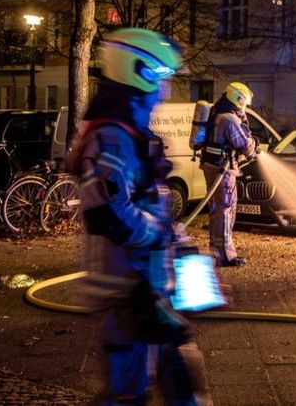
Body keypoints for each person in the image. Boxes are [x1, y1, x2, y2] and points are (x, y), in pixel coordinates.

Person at [70, 28, 206, 405]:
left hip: (146, 287)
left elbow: (145, 201)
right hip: (125, 291)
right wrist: (156, 234)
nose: (164, 89)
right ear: (138, 71)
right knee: (129, 393)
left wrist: (179, 244)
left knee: (179, 377)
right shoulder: (111, 137)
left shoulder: (128, 131)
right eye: (161, 78)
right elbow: (107, 213)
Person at [199, 82, 257, 267]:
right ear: (239, 100)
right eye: (244, 103)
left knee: (215, 210)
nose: (244, 107)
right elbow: (245, 146)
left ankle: (215, 252)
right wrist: (253, 145)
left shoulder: (216, 114)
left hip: (210, 166)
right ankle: (226, 256)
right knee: (226, 209)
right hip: (223, 170)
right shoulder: (230, 119)